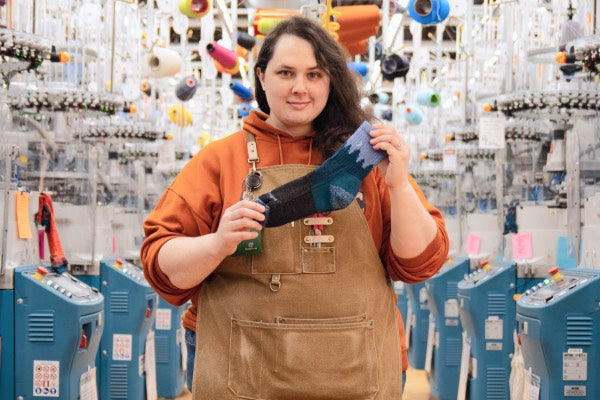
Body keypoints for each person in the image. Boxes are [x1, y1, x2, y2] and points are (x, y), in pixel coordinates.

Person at [142, 15, 449, 399]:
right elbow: (161, 265)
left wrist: (398, 184)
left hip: (355, 369)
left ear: (331, 81)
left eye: (315, 75)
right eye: (286, 73)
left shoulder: (361, 158)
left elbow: (421, 263)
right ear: (262, 77)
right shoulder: (218, 160)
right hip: (241, 367)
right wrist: (217, 243)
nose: (300, 88)